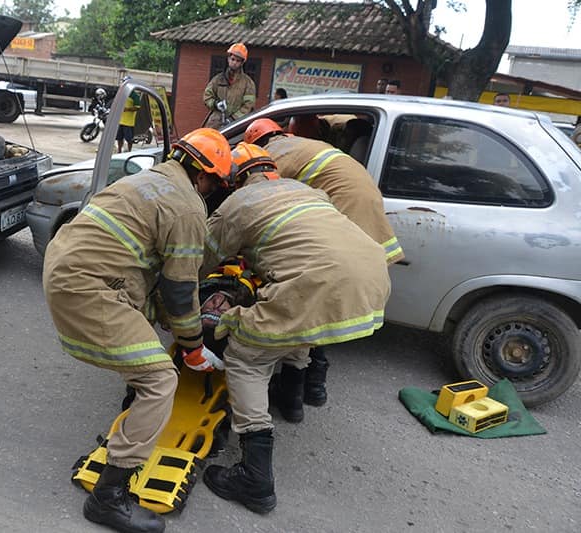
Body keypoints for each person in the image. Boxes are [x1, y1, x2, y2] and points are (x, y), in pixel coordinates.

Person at [43, 128, 232, 533]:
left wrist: (167, 322)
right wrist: (194, 347)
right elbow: (181, 291)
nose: (214, 191)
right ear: (205, 177)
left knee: (144, 334)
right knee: (161, 379)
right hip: (88, 288)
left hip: (69, 268)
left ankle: (136, 396)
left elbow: (151, 277)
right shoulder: (187, 208)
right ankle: (108, 498)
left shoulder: (144, 179)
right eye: (216, 184)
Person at [201, 142, 391, 514]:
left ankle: (254, 478)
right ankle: (291, 401)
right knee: (298, 324)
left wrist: (185, 297)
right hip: (371, 281)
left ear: (234, 180)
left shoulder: (237, 204)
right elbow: (295, 249)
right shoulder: (306, 190)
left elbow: (200, 259)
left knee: (247, 357)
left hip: (320, 284)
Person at [244, 118, 404, 420]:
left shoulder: (276, 154)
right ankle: (308, 389)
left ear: (257, 144)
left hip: (344, 211)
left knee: (318, 299)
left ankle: (306, 387)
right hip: (366, 209)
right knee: (327, 300)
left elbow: (256, 194)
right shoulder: (303, 145)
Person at [203, 43, 256, 129]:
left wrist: (232, 119)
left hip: (236, 126)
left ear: (242, 63)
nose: (234, 63)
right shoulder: (218, 79)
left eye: (238, 61)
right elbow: (207, 97)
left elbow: (248, 106)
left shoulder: (248, 83)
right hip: (215, 124)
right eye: (233, 59)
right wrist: (216, 104)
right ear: (228, 59)